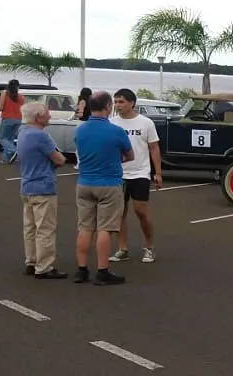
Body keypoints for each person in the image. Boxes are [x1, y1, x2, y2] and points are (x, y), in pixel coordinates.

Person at [72, 91, 134, 285]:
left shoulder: (80, 130)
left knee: (85, 227)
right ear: (108, 106)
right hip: (109, 183)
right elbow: (130, 155)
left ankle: (82, 270)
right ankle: (102, 270)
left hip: (85, 182)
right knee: (105, 229)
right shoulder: (116, 131)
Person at [109, 88, 163, 263]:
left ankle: (149, 247)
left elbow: (154, 148)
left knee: (141, 212)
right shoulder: (112, 123)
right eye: (116, 102)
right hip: (118, 174)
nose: (118, 105)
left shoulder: (146, 123)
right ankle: (122, 248)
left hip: (140, 173)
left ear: (131, 103)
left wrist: (158, 173)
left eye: (121, 102)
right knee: (119, 213)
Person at [16, 100, 68, 279]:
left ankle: (31, 261)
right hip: (43, 186)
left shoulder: (23, 132)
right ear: (38, 117)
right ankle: (44, 266)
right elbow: (59, 159)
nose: (49, 115)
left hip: (27, 185)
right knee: (45, 228)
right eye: (47, 113)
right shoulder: (41, 136)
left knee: (30, 228)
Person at [0, 79, 24, 164]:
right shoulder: (20, 96)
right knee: (10, 139)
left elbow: (1, 107)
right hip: (18, 119)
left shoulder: (5, 94)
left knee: (2, 138)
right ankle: (6, 159)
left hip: (7, 118)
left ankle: (13, 150)